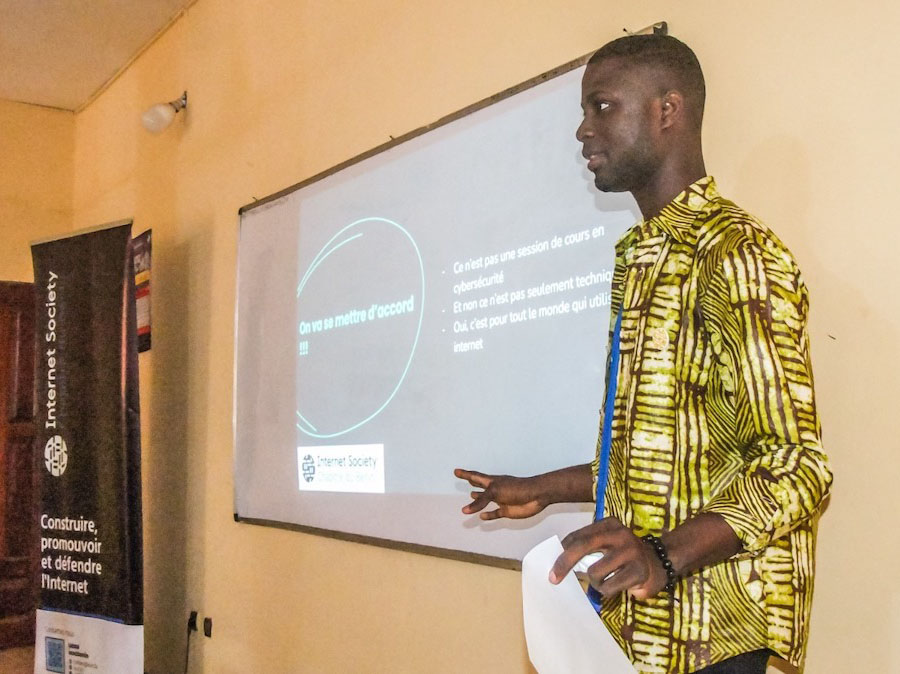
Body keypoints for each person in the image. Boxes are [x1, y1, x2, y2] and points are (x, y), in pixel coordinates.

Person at [455, 34, 832, 674]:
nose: (582, 129)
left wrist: (663, 555)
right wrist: (543, 488)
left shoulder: (734, 252)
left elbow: (798, 466)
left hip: (715, 631)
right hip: (636, 631)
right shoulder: (642, 260)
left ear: (667, 110)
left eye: (601, 107)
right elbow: (667, 460)